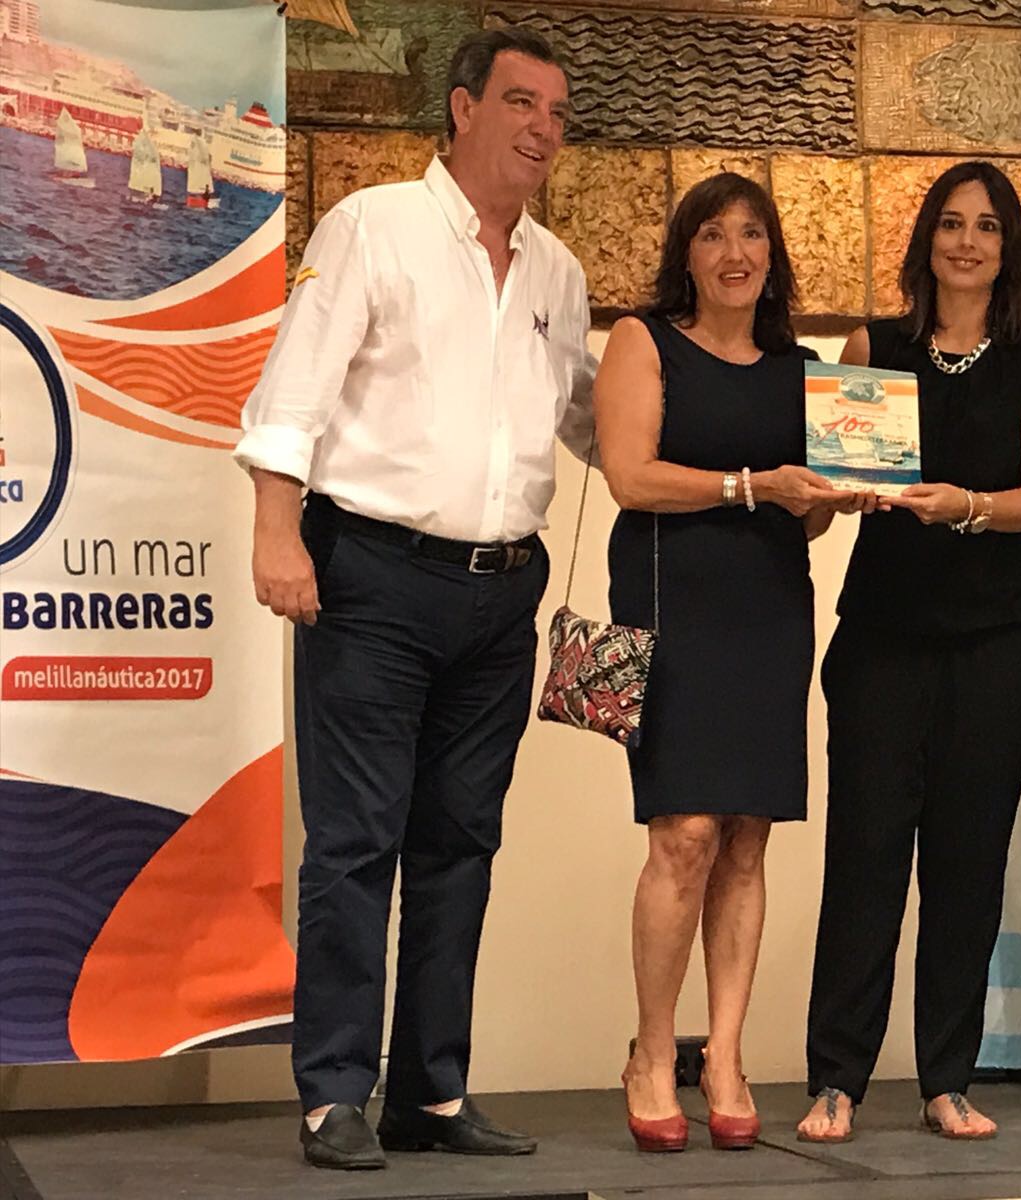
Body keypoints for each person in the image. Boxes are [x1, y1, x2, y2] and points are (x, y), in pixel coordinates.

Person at [236, 28, 595, 1169]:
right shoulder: (371, 226)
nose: (542, 129)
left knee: (461, 845)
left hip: (502, 594)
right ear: (462, 107)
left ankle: (432, 1092)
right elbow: (292, 394)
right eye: (521, 103)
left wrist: (753, 433)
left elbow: (596, 422)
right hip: (372, 581)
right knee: (355, 842)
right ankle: (335, 1092)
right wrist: (277, 537)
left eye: (557, 113)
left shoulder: (557, 272)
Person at [797, 161, 1021, 1143]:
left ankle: (947, 1079)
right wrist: (830, 493)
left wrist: (968, 507)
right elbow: (828, 497)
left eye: (987, 227)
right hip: (880, 640)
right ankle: (836, 1079)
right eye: (951, 223)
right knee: (864, 859)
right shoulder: (873, 346)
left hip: (993, 645)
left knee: (967, 866)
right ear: (926, 240)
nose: (967, 242)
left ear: (1009, 249)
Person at [596, 172, 864, 1153]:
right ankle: (651, 1053)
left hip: (769, 611)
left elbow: (810, 513)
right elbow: (630, 476)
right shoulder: (644, 341)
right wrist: (752, 485)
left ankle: (727, 1055)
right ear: (687, 252)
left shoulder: (803, 372)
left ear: (773, 256)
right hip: (673, 609)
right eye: (712, 234)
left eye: (752, 234)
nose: (734, 252)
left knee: (746, 837)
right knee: (685, 833)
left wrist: (834, 497)